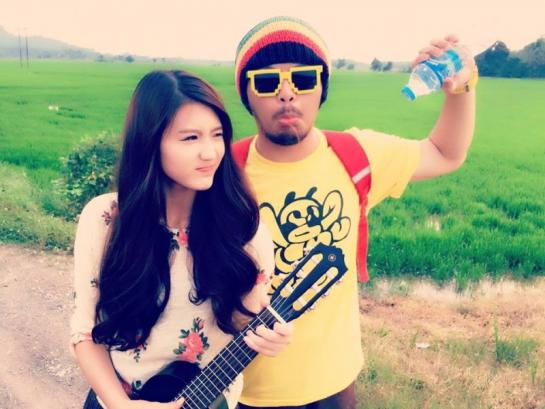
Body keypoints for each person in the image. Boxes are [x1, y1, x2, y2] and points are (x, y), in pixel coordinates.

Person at [231, 16, 477, 408]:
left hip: (335, 381)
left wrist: (461, 89)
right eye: (266, 81)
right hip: (248, 389)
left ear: (321, 88)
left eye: (304, 79)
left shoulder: (357, 156)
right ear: (247, 94)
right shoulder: (222, 174)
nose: (287, 93)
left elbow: (447, 153)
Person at [69, 70, 293, 409]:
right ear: (150, 143)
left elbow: (241, 322)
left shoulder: (245, 229)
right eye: (190, 138)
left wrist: (270, 337)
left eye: (217, 135)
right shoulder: (105, 221)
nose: (210, 153)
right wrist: (121, 404)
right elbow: (86, 330)